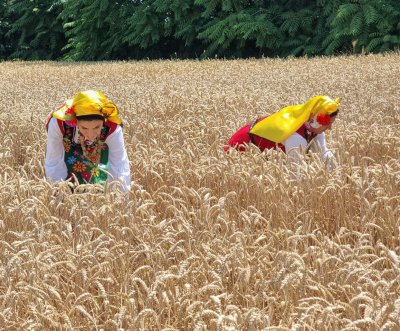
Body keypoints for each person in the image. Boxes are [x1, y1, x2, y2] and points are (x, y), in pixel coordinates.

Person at [45, 90, 131, 192]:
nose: (90, 135)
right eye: (84, 128)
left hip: (98, 152)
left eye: (96, 127)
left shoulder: (113, 127)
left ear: (104, 122)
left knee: (99, 183)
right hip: (68, 151)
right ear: (75, 121)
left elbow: (119, 166)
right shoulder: (58, 123)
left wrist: (119, 199)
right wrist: (58, 193)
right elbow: (54, 162)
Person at [224, 95, 340, 169]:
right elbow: (296, 172)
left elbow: (323, 153)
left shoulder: (315, 129)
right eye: (328, 123)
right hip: (241, 149)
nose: (330, 128)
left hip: (261, 152)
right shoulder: (296, 137)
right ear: (315, 120)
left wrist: (336, 171)